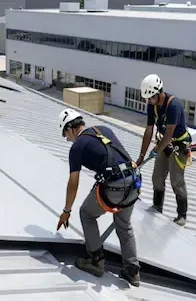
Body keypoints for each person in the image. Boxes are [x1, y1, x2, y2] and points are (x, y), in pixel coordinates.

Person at [56, 108, 141, 287]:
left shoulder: (77, 146)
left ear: (70, 129)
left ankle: (96, 261)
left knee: (86, 213)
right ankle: (132, 271)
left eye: (66, 135)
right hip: (133, 183)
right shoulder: (104, 129)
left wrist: (66, 211)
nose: (67, 139)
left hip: (115, 186)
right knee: (124, 225)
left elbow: (73, 182)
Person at [136, 74, 192, 226]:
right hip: (163, 143)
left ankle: (182, 215)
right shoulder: (151, 105)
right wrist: (141, 156)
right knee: (157, 177)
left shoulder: (174, 105)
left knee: (176, 180)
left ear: (159, 92)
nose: (148, 101)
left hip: (178, 145)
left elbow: (169, 134)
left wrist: (156, 150)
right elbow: (148, 131)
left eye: (151, 98)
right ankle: (157, 206)